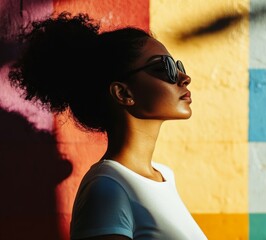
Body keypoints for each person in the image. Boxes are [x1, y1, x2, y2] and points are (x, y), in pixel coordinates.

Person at [8, 11, 207, 240]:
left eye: (178, 66)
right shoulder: (108, 189)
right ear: (123, 93)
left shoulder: (164, 177)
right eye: (165, 68)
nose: (184, 77)